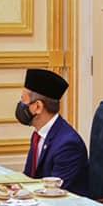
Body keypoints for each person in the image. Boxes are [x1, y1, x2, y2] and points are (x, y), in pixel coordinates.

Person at [18, 68, 89, 197]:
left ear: (38, 107)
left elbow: (54, 192)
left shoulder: (68, 144)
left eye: (23, 100)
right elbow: (29, 178)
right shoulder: (38, 135)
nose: (20, 104)